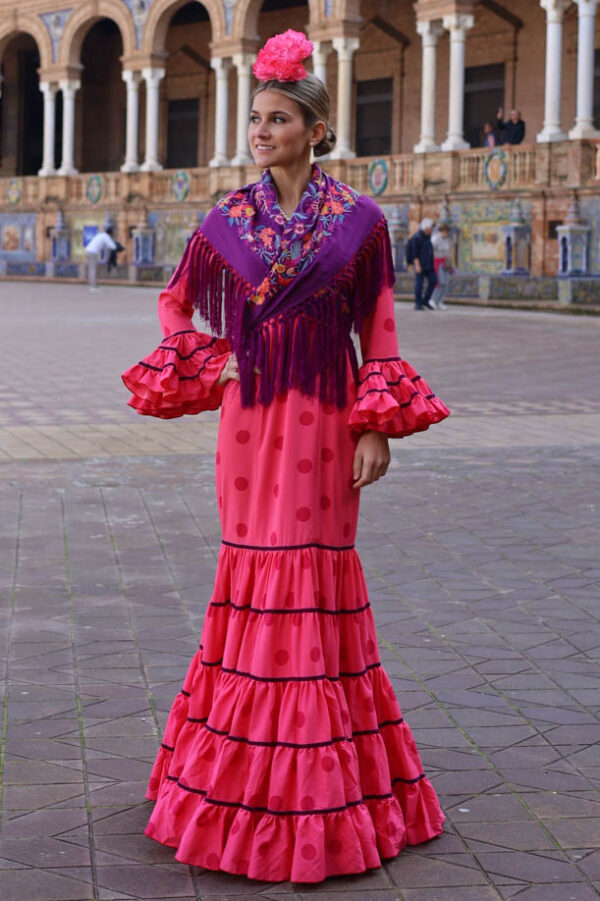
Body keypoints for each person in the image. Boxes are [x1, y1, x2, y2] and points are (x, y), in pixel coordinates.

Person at [122, 28, 449, 884]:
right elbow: (175, 302)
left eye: (275, 119)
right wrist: (215, 358)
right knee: (254, 573)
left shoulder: (363, 223)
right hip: (250, 423)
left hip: (329, 421)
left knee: (316, 578)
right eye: (255, 119)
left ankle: (326, 781)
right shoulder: (226, 220)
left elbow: (379, 326)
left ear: (314, 127)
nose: (259, 132)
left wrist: (375, 424)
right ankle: (237, 779)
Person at [407, 218, 437, 310]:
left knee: (433, 280)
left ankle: (425, 300)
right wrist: (417, 265)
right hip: (420, 265)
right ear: (426, 228)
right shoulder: (417, 237)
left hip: (429, 265)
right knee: (419, 284)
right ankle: (418, 303)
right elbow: (414, 253)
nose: (432, 230)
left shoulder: (427, 237)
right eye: (431, 228)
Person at [84, 226, 117, 290]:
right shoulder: (106, 236)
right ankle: (93, 286)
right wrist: (117, 245)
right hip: (92, 253)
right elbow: (113, 246)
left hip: (89, 251)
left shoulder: (101, 235)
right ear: (110, 233)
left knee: (93, 268)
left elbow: (105, 245)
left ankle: (94, 284)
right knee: (93, 269)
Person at [431, 224, 454, 310]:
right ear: (441, 231)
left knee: (446, 283)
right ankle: (433, 300)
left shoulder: (447, 239)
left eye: (447, 231)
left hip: (446, 263)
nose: (446, 233)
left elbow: (448, 251)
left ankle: (440, 301)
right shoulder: (435, 238)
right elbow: (431, 250)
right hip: (438, 262)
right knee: (440, 282)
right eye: (445, 231)